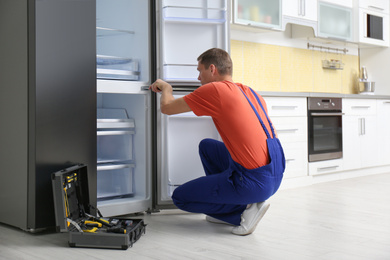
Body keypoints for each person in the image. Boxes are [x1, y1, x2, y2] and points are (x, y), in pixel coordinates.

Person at [149, 48, 285, 236]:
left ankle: (242, 213)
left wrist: (166, 88)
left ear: (212, 69)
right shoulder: (250, 92)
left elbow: (167, 107)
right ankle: (227, 208)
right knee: (208, 147)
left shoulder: (215, 90)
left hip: (253, 180)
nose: (198, 78)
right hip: (274, 172)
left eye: (200, 71)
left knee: (180, 198)